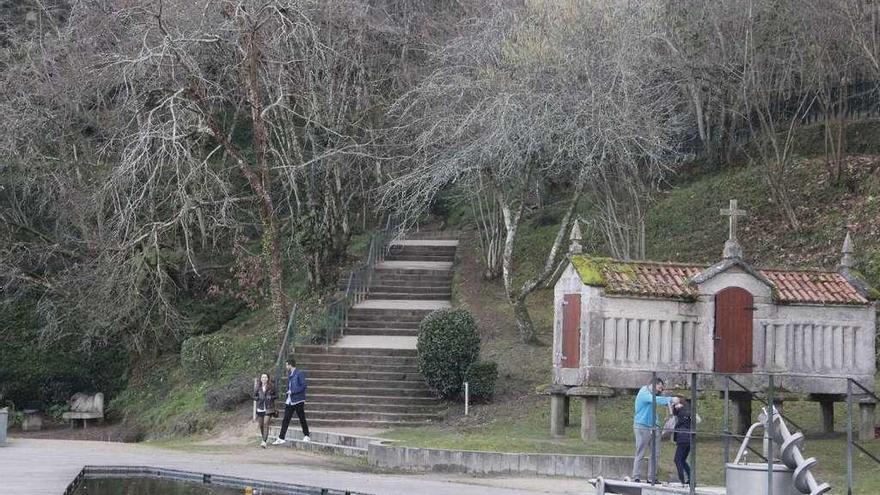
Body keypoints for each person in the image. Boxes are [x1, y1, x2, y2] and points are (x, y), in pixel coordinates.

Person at [631, 377, 674, 483]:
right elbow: (654, 400)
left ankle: (652, 478)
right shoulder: (644, 392)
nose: (660, 390)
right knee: (640, 451)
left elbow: (660, 401)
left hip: (654, 426)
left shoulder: (654, 395)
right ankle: (636, 476)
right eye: (659, 388)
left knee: (655, 453)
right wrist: (670, 399)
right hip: (642, 425)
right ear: (654, 384)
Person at [272, 357, 310, 444]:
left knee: (302, 418)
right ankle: (281, 437)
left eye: (286, 365)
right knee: (286, 419)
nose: (286, 366)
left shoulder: (299, 373)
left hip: (298, 400)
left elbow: (303, 386)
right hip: (290, 400)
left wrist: (293, 391)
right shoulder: (290, 374)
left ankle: (307, 435)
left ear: (290, 365)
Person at [672, 395, 694, 486]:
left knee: (677, 459)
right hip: (689, 439)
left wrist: (675, 406)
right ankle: (691, 478)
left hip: (682, 438)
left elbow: (674, 412)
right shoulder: (690, 410)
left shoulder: (681, 410)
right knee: (683, 459)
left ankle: (681, 479)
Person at [253, 372, 277, 448]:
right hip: (260, 408)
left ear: (268, 379)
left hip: (269, 408)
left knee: (266, 423)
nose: (264, 379)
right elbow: (254, 396)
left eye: (265, 377)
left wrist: (271, 397)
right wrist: (258, 398)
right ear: (261, 379)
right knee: (261, 425)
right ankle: (263, 437)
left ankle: (264, 441)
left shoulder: (271, 386)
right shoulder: (258, 387)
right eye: (263, 377)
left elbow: (276, 395)